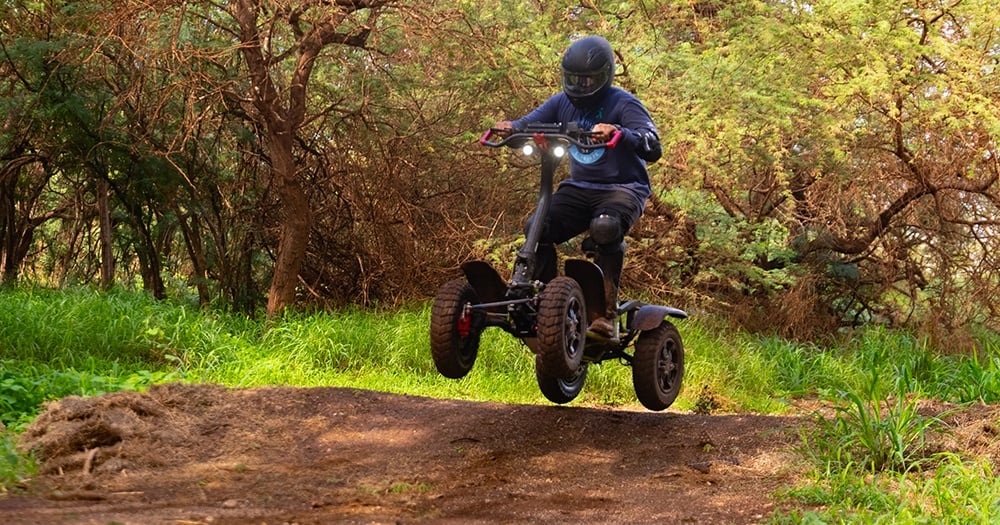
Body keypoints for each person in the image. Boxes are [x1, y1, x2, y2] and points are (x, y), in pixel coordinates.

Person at [494, 35, 662, 339]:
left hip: (622, 188)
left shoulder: (623, 103)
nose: (581, 86)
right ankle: (545, 305)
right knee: (537, 226)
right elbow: (529, 122)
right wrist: (512, 127)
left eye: (588, 80)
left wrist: (620, 132)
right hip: (580, 187)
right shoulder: (562, 102)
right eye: (574, 79)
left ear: (605, 76)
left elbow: (653, 144)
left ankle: (604, 316)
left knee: (606, 228)